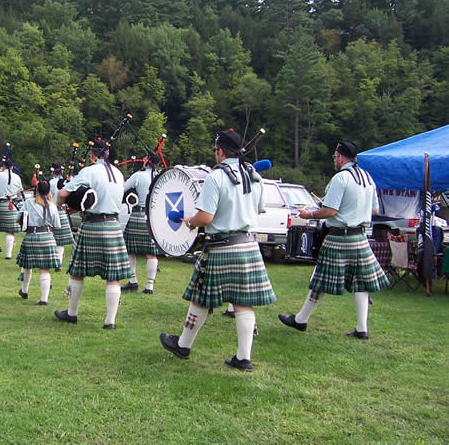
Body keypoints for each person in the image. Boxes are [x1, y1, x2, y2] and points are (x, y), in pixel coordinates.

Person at [159, 129, 276, 371]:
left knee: (200, 297)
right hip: (248, 244)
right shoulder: (253, 175)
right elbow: (259, 209)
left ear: (221, 151)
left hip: (222, 247)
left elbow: (206, 217)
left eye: (215, 150)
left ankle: (183, 345)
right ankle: (243, 358)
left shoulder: (216, 176)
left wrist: (190, 221)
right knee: (243, 303)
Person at [278, 141, 390, 339]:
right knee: (360, 283)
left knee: (321, 280)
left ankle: (301, 320)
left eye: (335, 157)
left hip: (339, 237)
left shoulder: (341, 178)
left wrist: (308, 214)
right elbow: (375, 210)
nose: (334, 160)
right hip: (360, 237)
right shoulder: (367, 177)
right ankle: (362, 329)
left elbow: (329, 211)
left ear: (341, 157)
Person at [55, 138, 131, 329]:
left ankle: (71, 313)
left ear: (92, 155)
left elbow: (63, 193)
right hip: (113, 226)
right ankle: (110, 321)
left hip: (91, 224)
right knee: (113, 276)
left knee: (77, 272)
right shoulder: (118, 173)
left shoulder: (89, 171)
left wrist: (60, 205)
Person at [121, 153, 161, 294]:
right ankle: (149, 286)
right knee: (151, 253)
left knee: (129, 249)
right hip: (153, 218)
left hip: (138, 214)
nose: (143, 160)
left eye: (145, 158)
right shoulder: (161, 177)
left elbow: (123, 188)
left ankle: (133, 281)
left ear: (148, 161)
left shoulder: (138, 175)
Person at [16, 179, 62, 305]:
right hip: (48, 237)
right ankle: (44, 299)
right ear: (48, 191)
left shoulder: (28, 203)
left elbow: (18, 218)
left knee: (27, 266)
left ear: (37, 190)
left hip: (31, 236)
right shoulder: (52, 206)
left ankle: (24, 291)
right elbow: (57, 225)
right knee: (44, 269)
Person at [0, 158, 23, 259]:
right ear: (12, 167)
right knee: (10, 231)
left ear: (3, 166)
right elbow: (19, 192)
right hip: (10, 205)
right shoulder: (17, 177)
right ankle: (8, 255)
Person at [48, 162, 74, 268]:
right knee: (61, 240)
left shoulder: (51, 182)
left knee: (50, 238)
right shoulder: (68, 182)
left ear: (53, 172)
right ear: (62, 172)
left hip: (51, 211)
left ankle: (52, 260)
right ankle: (58, 263)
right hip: (62, 211)